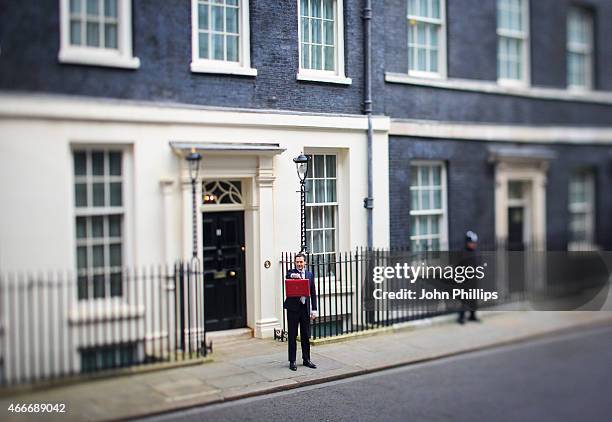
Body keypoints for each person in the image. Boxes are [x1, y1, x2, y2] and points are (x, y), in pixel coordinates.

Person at [284, 253, 318, 371]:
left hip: (305, 309)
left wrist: (314, 309)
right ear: (295, 263)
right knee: (292, 336)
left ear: (305, 262)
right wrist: (296, 276)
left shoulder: (309, 274)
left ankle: (306, 359)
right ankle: (292, 361)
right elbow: (288, 276)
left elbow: (313, 292)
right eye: (297, 262)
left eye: (301, 262)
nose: (299, 264)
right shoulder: (291, 272)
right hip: (293, 309)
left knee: (305, 335)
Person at [457, 230, 481, 324]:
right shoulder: (463, 252)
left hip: (473, 279)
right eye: (471, 243)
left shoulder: (475, 252)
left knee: (473, 299)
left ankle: (472, 315)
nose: (473, 244)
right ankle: (461, 317)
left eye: (474, 243)